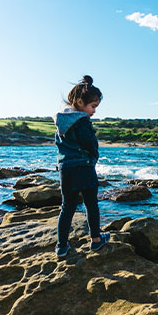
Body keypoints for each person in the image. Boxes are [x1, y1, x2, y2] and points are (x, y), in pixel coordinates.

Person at [53, 75, 110, 258]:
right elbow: (88, 143)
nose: (94, 111)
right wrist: (94, 154)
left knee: (67, 207)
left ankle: (61, 246)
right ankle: (96, 240)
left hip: (66, 169)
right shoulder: (82, 121)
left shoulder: (61, 123)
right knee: (91, 204)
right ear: (79, 102)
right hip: (84, 167)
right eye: (93, 106)